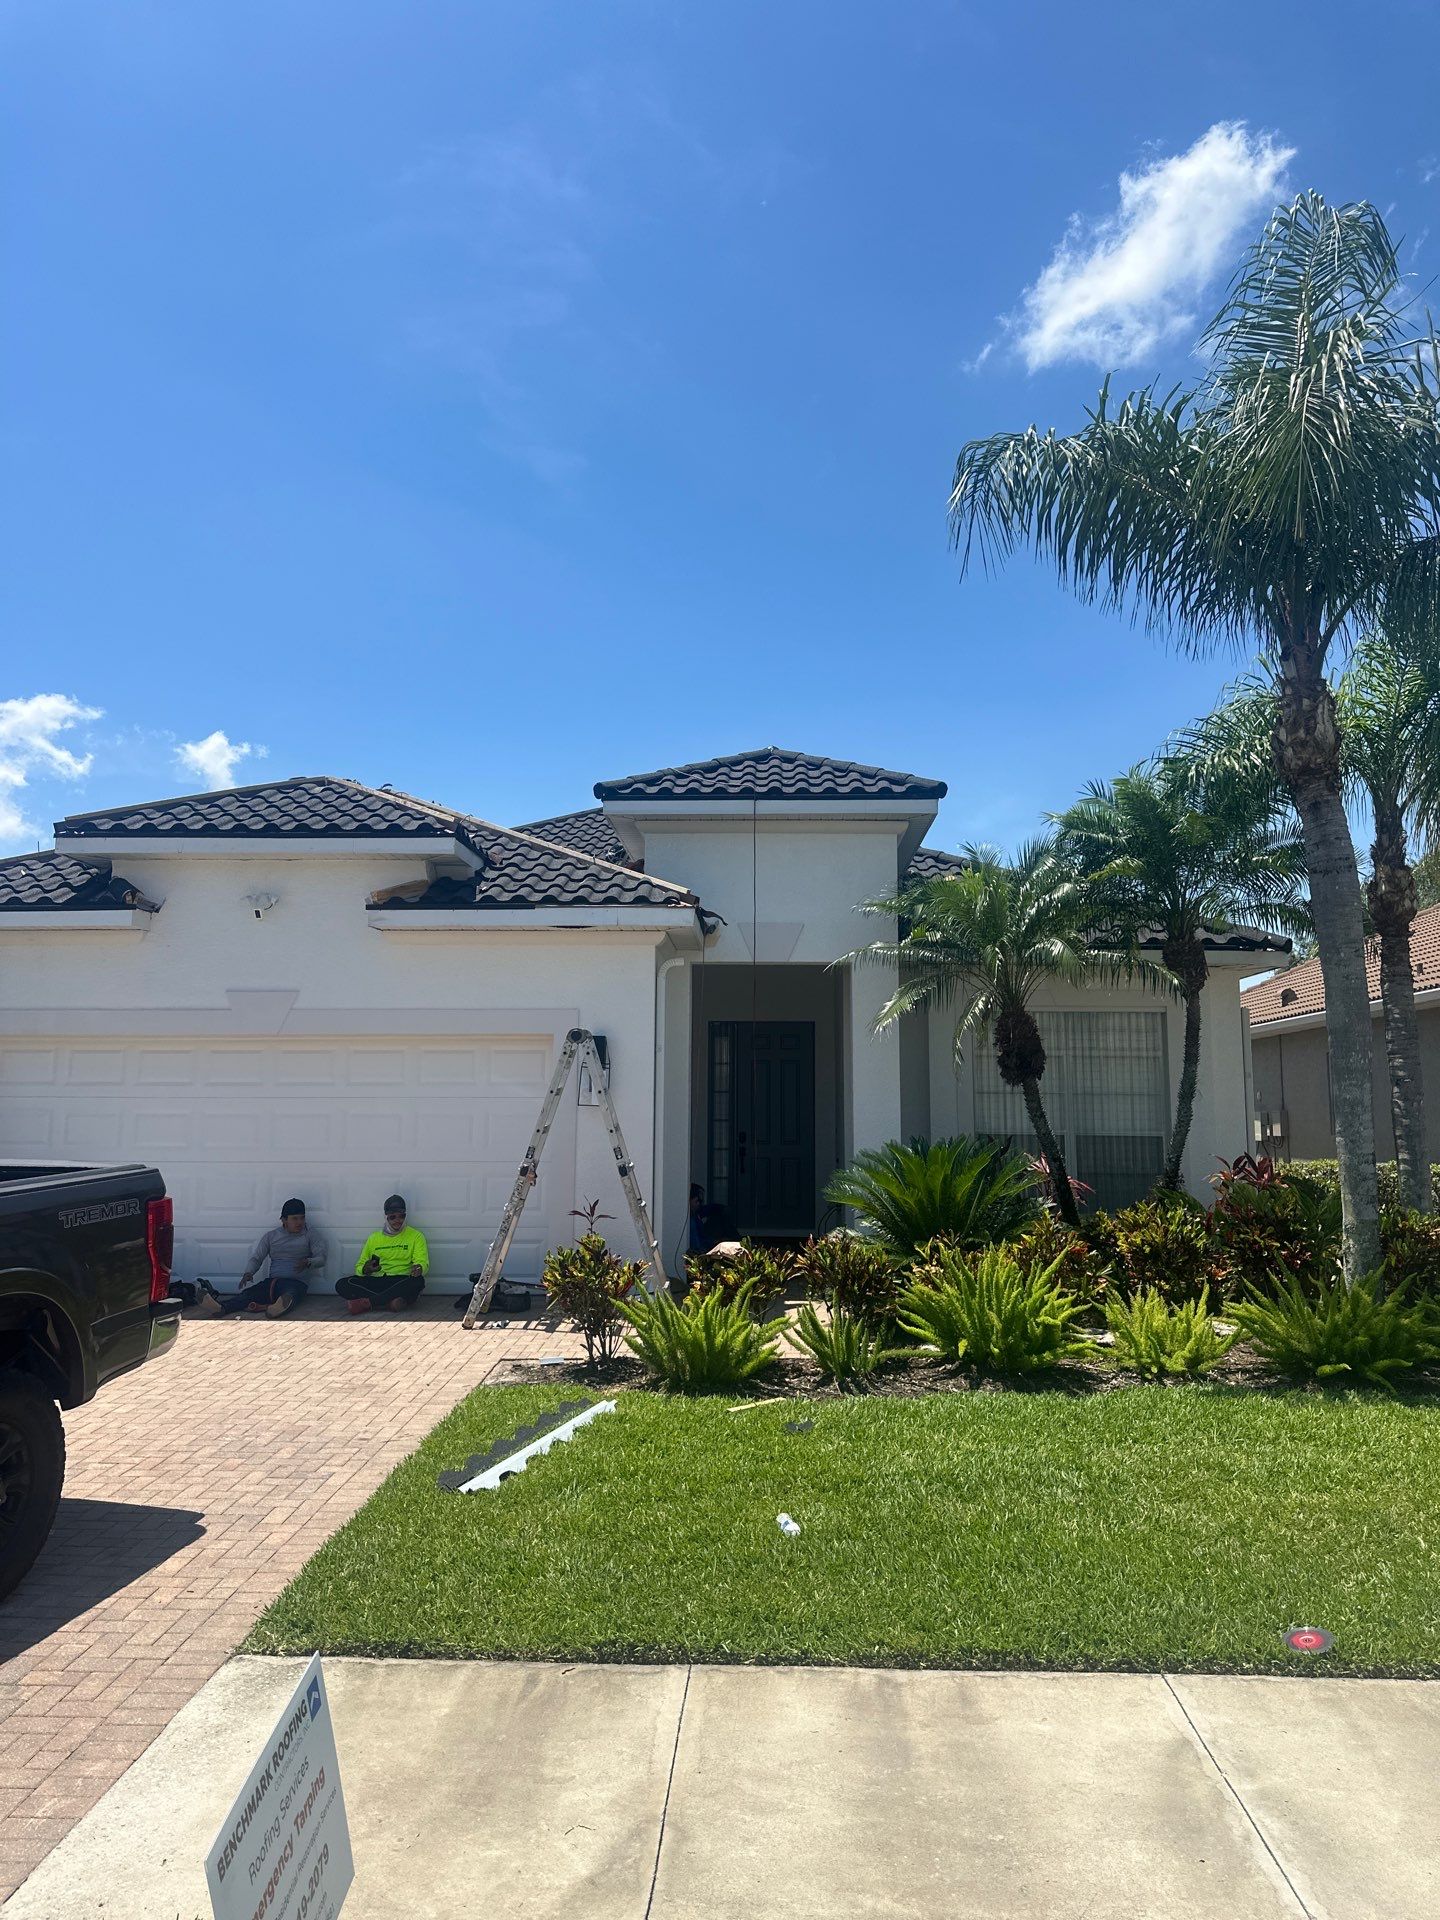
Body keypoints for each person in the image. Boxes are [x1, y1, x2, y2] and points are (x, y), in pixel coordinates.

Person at [196, 1199, 326, 1318]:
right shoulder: (271, 1236)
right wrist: (249, 1272)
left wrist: (308, 1262)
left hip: (296, 1282)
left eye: (302, 1218)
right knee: (248, 1294)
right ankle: (220, 1308)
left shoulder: (311, 1234)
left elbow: (321, 1258)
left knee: (291, 1294)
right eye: (295, 1219)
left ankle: (277, 1308)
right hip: (273, 1282)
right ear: (283, 1220)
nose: (300, 1222)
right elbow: (257, 1258)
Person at [335, 1194, 429, 1314]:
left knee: (418, 1281)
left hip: (401, 1280)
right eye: (392, 1217)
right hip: (377, 1279)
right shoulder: (374, 1238)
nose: (397, 1220)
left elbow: (422, 1262)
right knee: (342, 1284)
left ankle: (368, 1303)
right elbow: (359, 1267)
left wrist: (419, 1268)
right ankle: (390, 1301)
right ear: (386, 1217)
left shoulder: (416, 1236)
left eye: (401, 1216)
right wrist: (365, 1269)